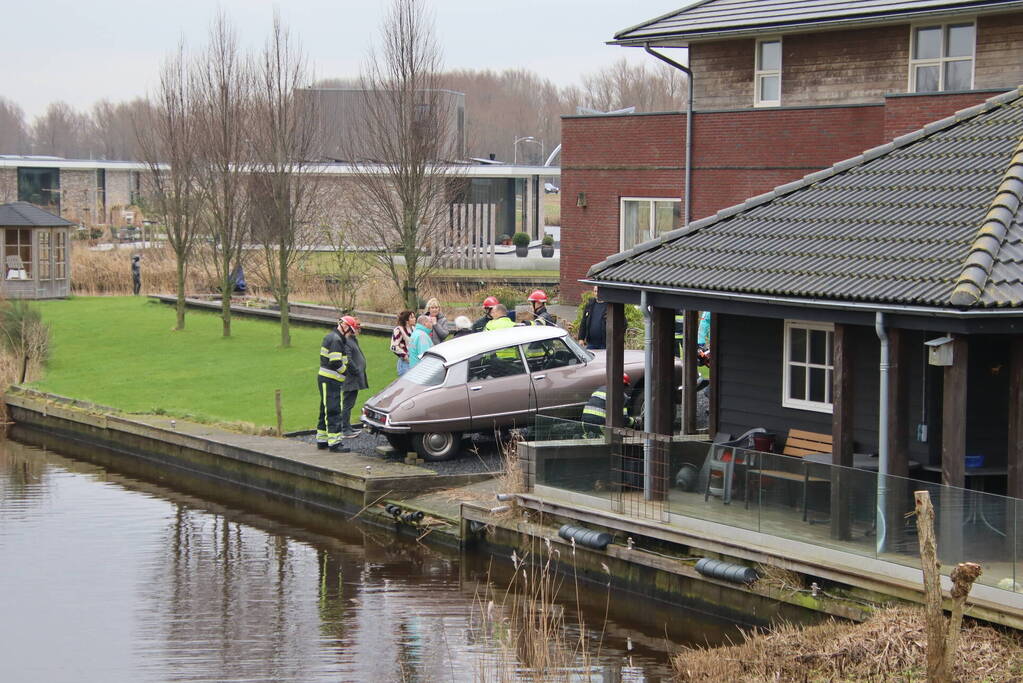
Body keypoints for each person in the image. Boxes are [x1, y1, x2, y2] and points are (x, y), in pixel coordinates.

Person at [316, 318, 350, 453]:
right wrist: (346, 372)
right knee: (333, 410)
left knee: (325, 409)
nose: (350, 335)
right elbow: (335, 362)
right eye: (351, 331)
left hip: (328, 380)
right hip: (331, 380)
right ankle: (334, 443)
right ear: (345, 327)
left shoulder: (334, 337)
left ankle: (322, 440)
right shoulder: (336, 340)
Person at [337, 316, 367, 439]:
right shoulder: (347, 341)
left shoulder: (352, 339)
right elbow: (347, 359)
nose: (358, 329)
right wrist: (355, 370)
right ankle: (345, 429)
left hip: (355, 377)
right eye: (356, 327)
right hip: (351, 378)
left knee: (350, 403)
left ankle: (347, 426)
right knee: (348, 404)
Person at [391, 310, 415, 376]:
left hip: (413, 362)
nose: (414, 319)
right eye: (412, 317)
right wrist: (405, 356)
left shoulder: (413, 329)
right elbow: (393, 346)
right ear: (406, 320)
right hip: (405, 364)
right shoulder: (399, 330)